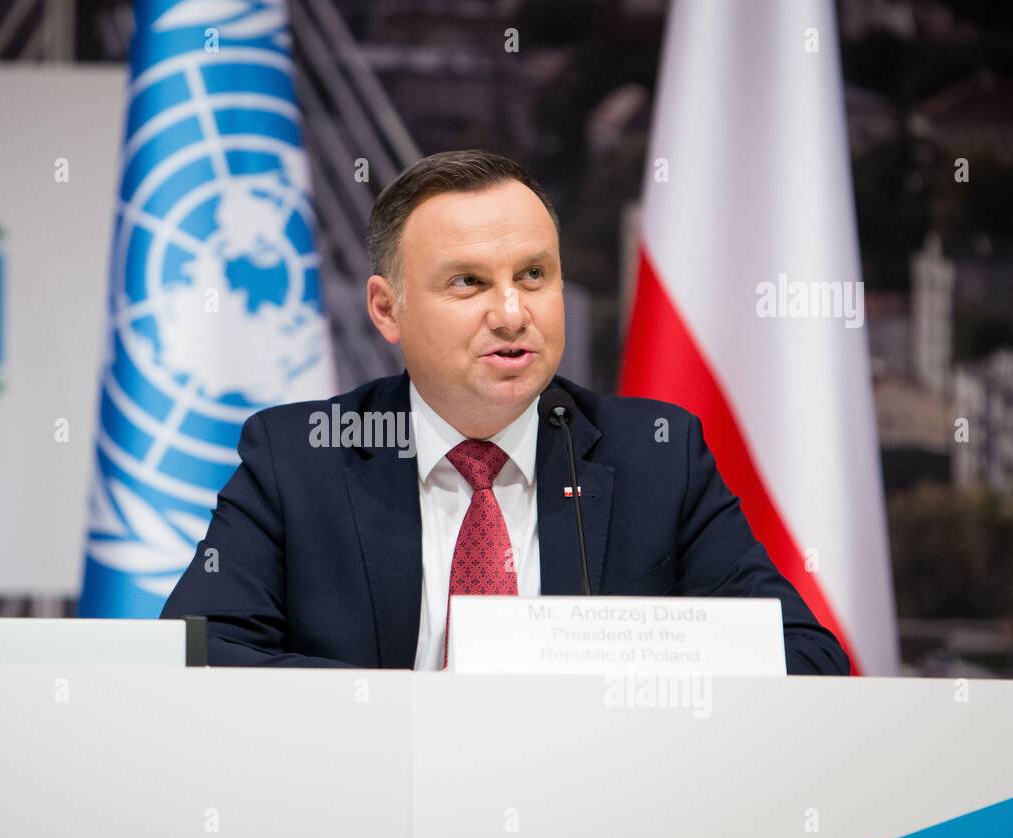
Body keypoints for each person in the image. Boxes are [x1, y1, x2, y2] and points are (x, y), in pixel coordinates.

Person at [162, 149, 850, 675]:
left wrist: (623, 690)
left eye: (532, 276)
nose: (512, 313)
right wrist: (422, 718)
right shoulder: (299, 457)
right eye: (468, 282)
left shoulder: (657, 458)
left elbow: (806, 658)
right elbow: (201, 652)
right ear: (386, 309)